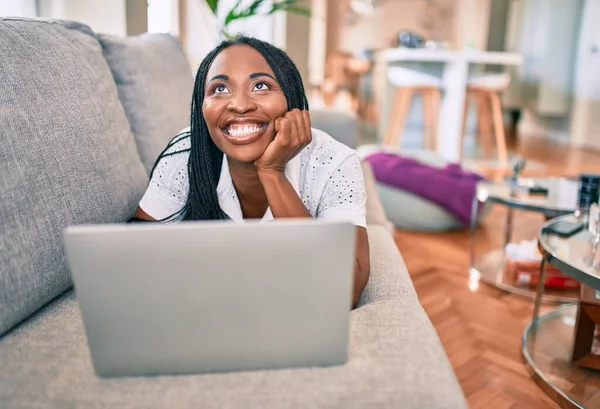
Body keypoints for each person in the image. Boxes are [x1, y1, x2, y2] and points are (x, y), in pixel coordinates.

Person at [130, 36, 370, 307]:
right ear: (202, 108)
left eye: (260, 85)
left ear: (291, 103)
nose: (240, 105)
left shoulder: (336, 162)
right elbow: (134, 251)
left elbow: (343, 291)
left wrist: (271, 172)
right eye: (220, 89)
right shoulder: (188, 152)